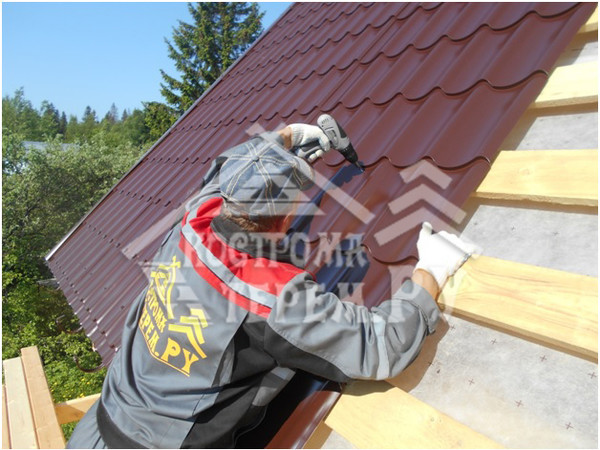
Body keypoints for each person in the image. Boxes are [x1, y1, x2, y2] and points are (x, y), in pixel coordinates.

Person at [67, 123, 476, 448]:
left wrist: (286, 139)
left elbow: (221, 171)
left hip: (98, 425)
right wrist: (431, 271)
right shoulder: (270, 296)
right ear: (285, 218)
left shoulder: (193, 219)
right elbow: (379, 345)